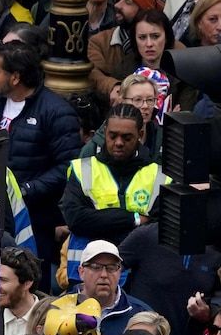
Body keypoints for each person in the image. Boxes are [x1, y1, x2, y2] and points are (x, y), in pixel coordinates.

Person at [0, 43, 82, 272]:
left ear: (15, 78)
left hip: (35, 219)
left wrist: (26, 190)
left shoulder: (56, 111)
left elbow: (68, 166)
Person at [61, 105, 166, 285]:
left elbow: (158, 229)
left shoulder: (159, 176)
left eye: (126, 137)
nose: (118, 142)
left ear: (140, 135)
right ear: (105, 132)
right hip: (85, 275)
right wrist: (133, 220)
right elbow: (76, 220)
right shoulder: (82, 169)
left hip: (137, 276)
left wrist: (98, 221)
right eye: (112, 135)